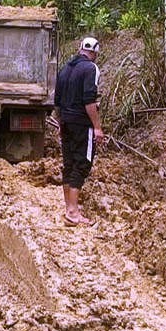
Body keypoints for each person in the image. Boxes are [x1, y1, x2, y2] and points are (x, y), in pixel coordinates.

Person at [54, 36, 105, 225]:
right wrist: (97, 127)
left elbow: (57, 100)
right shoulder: (91, 68)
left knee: (68, 163)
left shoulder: (66, 68)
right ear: (95, 52)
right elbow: (89, 100)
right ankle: (73, 213)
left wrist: (61, 122)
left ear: (80, 48)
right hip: (81, 124)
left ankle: (69, 209)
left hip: (66, 121)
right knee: (82, 163)